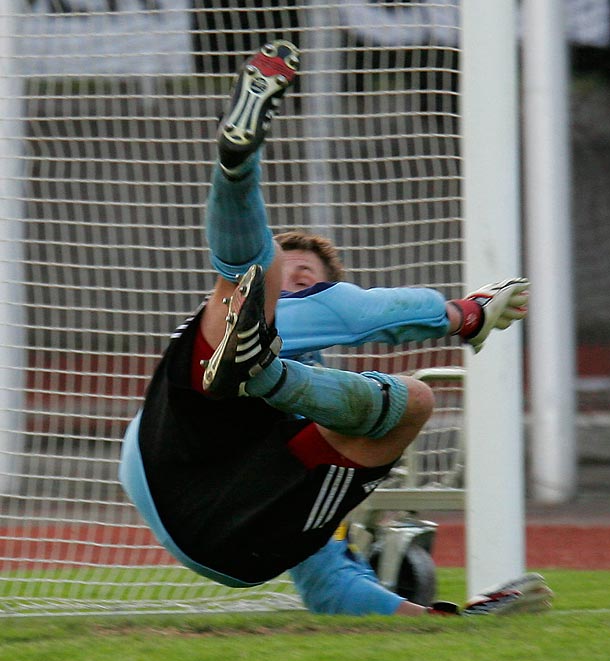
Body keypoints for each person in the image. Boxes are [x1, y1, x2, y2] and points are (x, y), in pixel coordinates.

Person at [119, 39, 551, 617]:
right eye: (297, 277)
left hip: (239, 531)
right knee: (252, 279)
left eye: (310, 277)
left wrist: (442, 624)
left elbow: (327, 586)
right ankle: (238, 167)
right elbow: (357, 312)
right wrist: (462, 314)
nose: (300, 282)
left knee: (413, 401)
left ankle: (237, 172)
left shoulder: (322, 382)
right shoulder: (255, 311)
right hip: (177, 458)